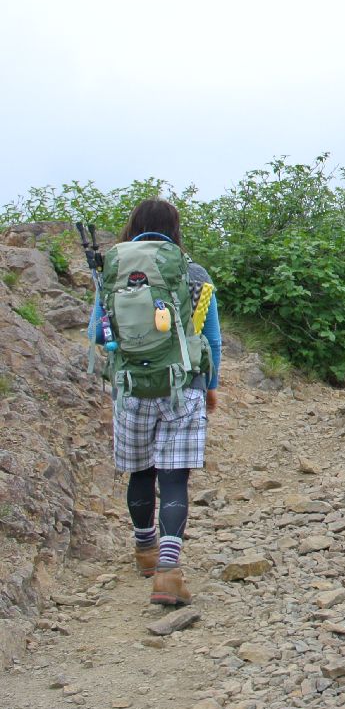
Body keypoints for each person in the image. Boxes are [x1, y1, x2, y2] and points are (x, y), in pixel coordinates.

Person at [91, 199, 221, 606]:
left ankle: (144, 551)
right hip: (183, 386)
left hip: (130, 388)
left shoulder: (113, 270)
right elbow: (211, 337)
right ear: (175, 229)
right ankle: (168, 572)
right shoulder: (193, 272)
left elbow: (98, 332)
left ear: (133, 226)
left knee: (140, 471)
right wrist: (211, 384)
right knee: (174, 477)